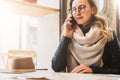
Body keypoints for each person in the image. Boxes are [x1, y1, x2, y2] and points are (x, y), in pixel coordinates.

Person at [52, 0, 120, 74]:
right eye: (73, 10)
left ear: (93, 10)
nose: (77, 13)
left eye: (81, 8)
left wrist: (93, 70)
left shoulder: (108, 34)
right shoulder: (69, 34)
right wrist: (66, 37)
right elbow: (56, 67)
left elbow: (118, 69)